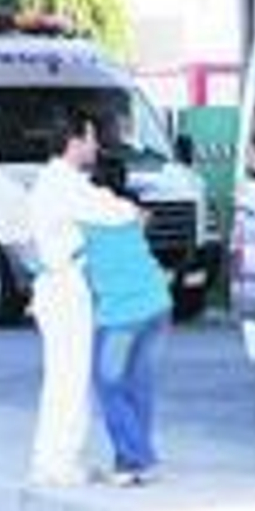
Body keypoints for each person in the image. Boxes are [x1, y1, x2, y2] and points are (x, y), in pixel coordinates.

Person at [26, 108, 141, 487]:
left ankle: (55, 458)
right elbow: (107, 211)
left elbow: (98, 202)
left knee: (64, 376)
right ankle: (59, 463)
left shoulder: (57, 181)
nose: (96, 145)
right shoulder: (64, 184)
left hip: (60, 285)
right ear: (74, 142)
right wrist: (133, 212)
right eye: (91, 138)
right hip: (63, 286)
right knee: (69, 378)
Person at [80, 206, 172, 487]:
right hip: (158, 305)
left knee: (109, 386)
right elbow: (144, 219)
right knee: (140, 387)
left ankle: (139, 459)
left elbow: (47, 261)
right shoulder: (127, 216)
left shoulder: (83, 223)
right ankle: (129, 462)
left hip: (122, 314)